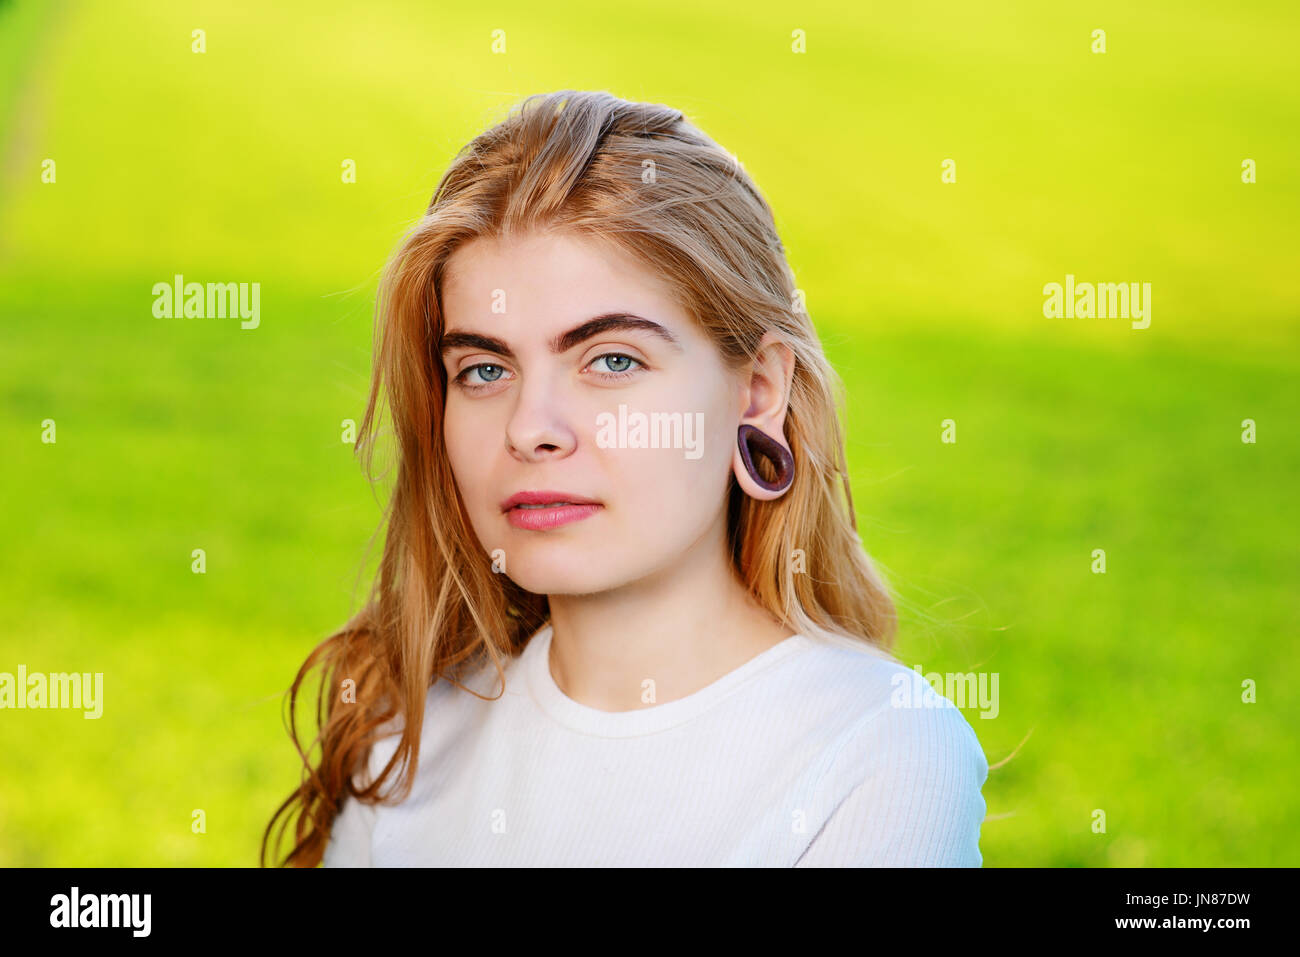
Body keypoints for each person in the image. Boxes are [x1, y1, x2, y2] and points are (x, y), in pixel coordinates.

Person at [261, 89, 988, 867]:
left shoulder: (877, 752)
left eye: (611, 359)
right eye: (483, 367)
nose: (530, 427)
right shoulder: (410, 739)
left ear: (758, 391)